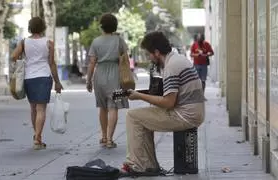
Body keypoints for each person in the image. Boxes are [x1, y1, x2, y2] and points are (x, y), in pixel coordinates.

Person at [121, 31, 205, 174]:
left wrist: (139, 96)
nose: (149, 59)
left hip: (185, 115)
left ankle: (137, 165)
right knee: (141, 117)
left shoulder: (171, 66)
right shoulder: (178, 59)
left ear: (157, 52)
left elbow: (168, 103)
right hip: (192, 112)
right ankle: (148, 166)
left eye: (149, 55)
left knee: (133, 116)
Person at [11, 17, 63, 150]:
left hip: (29, 78)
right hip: (44, 76)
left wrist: (24, 58)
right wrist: (57, 82)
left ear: (30, 28)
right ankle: (38, 139)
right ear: (43, 27)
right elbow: (52, 64)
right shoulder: (49, 43)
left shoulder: (24, 42)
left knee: (33, 108)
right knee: (41, 109)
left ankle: (37, 137)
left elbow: (13, 56)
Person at [86, 13, 129, 148]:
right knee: (113, 107)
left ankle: (103, 137)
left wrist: (88, 80)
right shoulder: (119, 40)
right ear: (115, 26)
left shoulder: (96, 41)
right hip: (115, 75)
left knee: (102, 107)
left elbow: (92, 63)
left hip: (100, 75)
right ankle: (110, 139)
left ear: (102, 26)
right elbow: (126, 59)